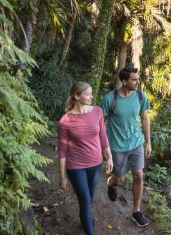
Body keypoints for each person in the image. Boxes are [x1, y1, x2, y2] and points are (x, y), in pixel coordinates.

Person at [58, 82, 113, 235]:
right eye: (88, 94)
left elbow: (103, 136)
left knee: (88, 199)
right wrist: (62, 177)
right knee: (84, 200)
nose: (92, 96)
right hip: (75, 166)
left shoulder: (97, 112)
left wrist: (109, 157)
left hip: (95, 164)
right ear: (77, 96)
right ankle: (89, 228)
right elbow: (62, 150)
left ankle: (85, 218)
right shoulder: (65, 120)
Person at [102, 67, 151, 227]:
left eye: (138, 78)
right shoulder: (110, 99)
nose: (138, 81)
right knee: (120, 179)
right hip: (116, 146)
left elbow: (145, 118)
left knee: (139, 175)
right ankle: (111, 183)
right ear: (124, 81)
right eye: (134, 79)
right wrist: (103, 147)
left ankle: (136, 212)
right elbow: (101, 123)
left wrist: (148, 142)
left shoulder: (140, 96)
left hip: (136, 143)